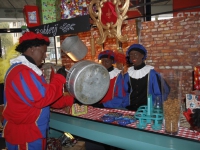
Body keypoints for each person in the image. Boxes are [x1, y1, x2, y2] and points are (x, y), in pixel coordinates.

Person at [2, 31, 74, 150]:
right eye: (43, 51)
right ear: (31, 49)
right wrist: (59, 79)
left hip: (32, 132)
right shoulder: (22, 72)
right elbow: (42, 98)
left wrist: (72, 100)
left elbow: (48, 99)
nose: (45, 55)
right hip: (25, 135)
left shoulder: (28, 70)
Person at [124, 43, 170, 111]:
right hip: (130, 109)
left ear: (142, 55)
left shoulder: (152, 73)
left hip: (147, 110)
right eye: (131, 55)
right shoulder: (127, 74)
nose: (133, 57)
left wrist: (155, 107)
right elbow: (125, 92)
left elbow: (159, 94)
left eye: (136, 54)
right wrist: (125, 105)